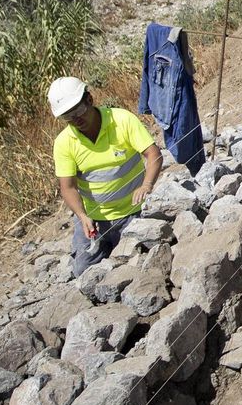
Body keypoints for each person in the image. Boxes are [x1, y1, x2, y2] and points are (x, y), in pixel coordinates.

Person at [49, 76, 163, 278]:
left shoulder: (121, 120)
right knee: (83, 272)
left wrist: (146, 185)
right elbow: (68, 187)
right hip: (94, 220)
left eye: (78, 111)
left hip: (132, 213)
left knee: (141, 265)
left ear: (89, 100)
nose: (76, 119)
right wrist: (82, 216)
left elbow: (153, 154)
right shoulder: (64, 142)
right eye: (67, 116)